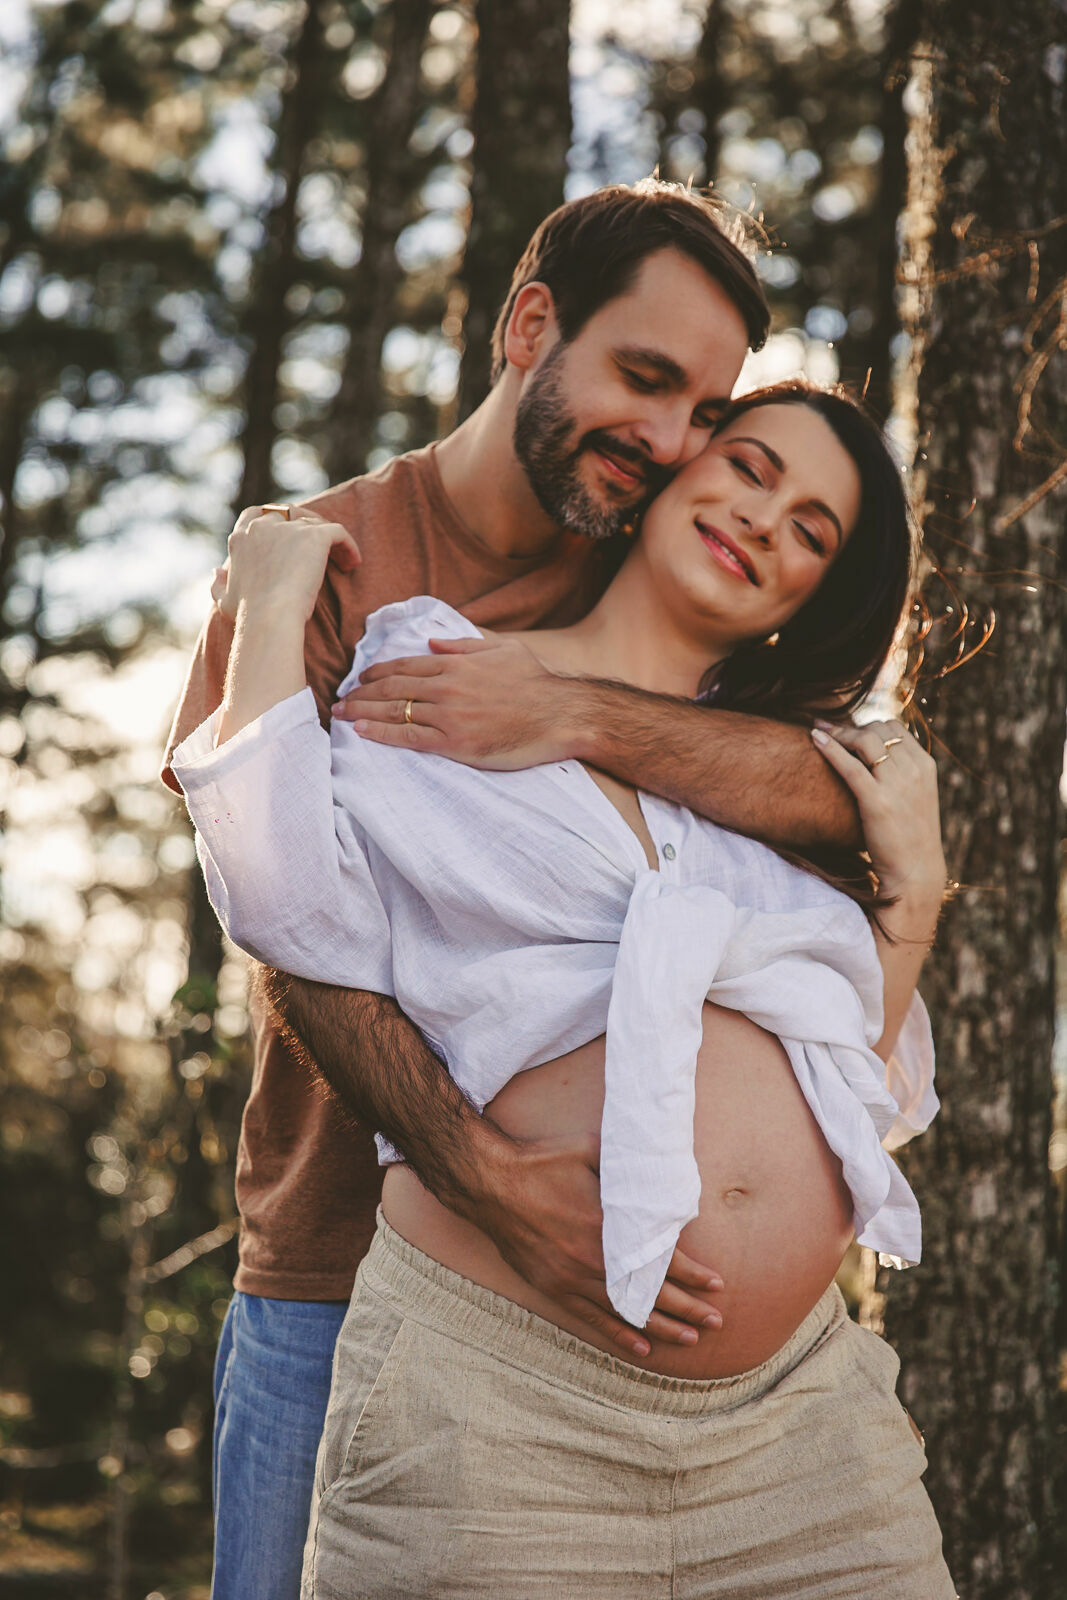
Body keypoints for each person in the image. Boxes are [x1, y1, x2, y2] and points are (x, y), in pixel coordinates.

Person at [171, 380, 954, 1597]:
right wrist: (269, 610)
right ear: (673, 471)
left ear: (815, 595)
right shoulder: (440, 660)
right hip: (498, 1409)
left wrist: (914, 897)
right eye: (749, 468)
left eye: (810, 528)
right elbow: (290, 905)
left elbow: (857, 1083)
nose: (763, 520)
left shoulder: (799, 791)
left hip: (797, 1428)